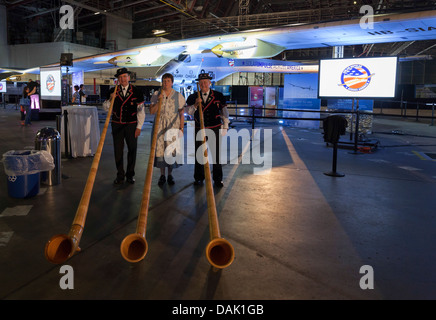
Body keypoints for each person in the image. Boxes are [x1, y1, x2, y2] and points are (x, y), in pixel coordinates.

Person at [185, 73, 229, 187]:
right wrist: (195, 105)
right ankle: (199, 178)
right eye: (201, 82)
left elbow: (224, 113)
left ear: (210, 83)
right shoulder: (193, 97)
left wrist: (225, 126)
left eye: (206, 82)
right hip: (199, 129)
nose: (203, 84)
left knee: (216, 155)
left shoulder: (219, 96)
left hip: (214, 128)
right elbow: (188, 113)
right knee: (199, 154)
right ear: (198, 84)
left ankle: (218, 179)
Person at [103, 68, 145, 185]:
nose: (123, 79)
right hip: (117, 125)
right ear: (118, 79)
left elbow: (141, 111)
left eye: (125, 76)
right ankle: (120, 175)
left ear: (129, 78)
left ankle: (130, 175)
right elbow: (106, 108)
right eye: (120, 77)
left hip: (131, 125)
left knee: (132, 150)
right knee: (118, 151)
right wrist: (111, 98)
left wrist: (139, 127)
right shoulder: (112, 91)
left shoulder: (137, 91)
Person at [149, 73, 185, 186]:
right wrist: (159, 101)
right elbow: (152, 111)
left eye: (168, 81)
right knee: (161, 150)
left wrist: (181, 128)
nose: (166, 83)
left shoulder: (178, 95)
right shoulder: (156, 94)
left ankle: (170, 174)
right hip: (159, 126)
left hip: (173, 126)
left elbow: (182, 113)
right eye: (164, 80)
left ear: (172, 82)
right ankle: (162, 175)